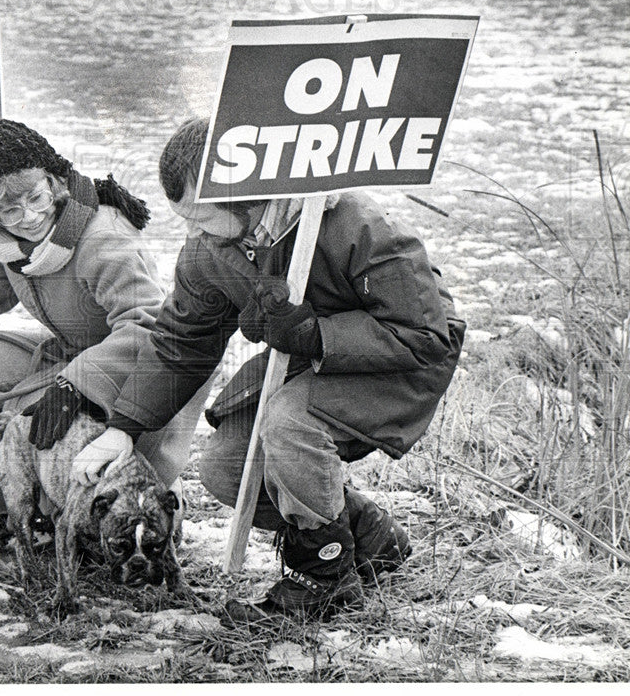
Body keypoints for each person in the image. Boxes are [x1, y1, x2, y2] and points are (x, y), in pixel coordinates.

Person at [32, 118, 465, 621]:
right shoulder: (211, 248)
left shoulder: (356, 223)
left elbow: (423, 334)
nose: (193, 232)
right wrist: (124, 428)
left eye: (201, 217)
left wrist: (317, 334)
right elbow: (181, 342)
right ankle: (366, 534)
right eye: (185, 218)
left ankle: (322, 576)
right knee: (228, 468)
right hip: (306, 359)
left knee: (289, 423)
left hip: (400, 361)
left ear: (249, 194)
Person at [0, 118, 208, 542]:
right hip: (72, 360)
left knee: (47, 421)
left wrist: (77, 385)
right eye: (10, 210)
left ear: (55, 181)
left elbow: (146, 327)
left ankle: (142, 496)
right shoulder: (4, 238)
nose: (30, 217)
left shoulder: (103, 237)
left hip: (137, 376)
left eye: (37, 197)